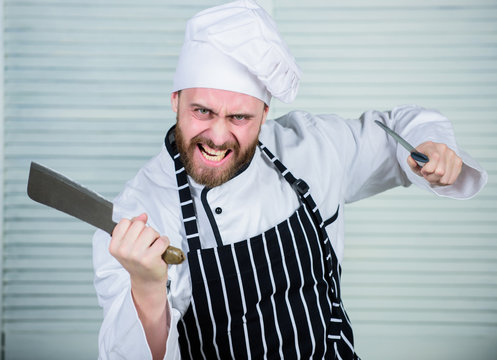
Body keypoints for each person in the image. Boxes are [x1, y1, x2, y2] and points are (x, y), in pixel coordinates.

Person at [92, 1, 488, 359]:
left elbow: (397, 128)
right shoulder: (137, 216)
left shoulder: (313, 147)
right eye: (202, 111)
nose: (216, 135)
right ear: (175, 100)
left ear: (264, 114)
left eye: (239, 118)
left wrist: (430, 146)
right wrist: (145, 288)